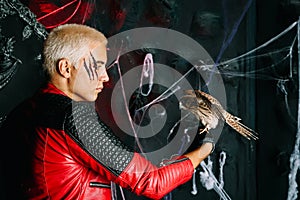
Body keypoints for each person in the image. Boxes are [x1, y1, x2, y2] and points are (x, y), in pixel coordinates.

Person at [0, 23, 215, 200]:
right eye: (98, 65)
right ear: (66, 68)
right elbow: (152, 183)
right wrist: (206, 147)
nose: (105, 77)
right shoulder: (74, 119)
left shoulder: (22, 111)